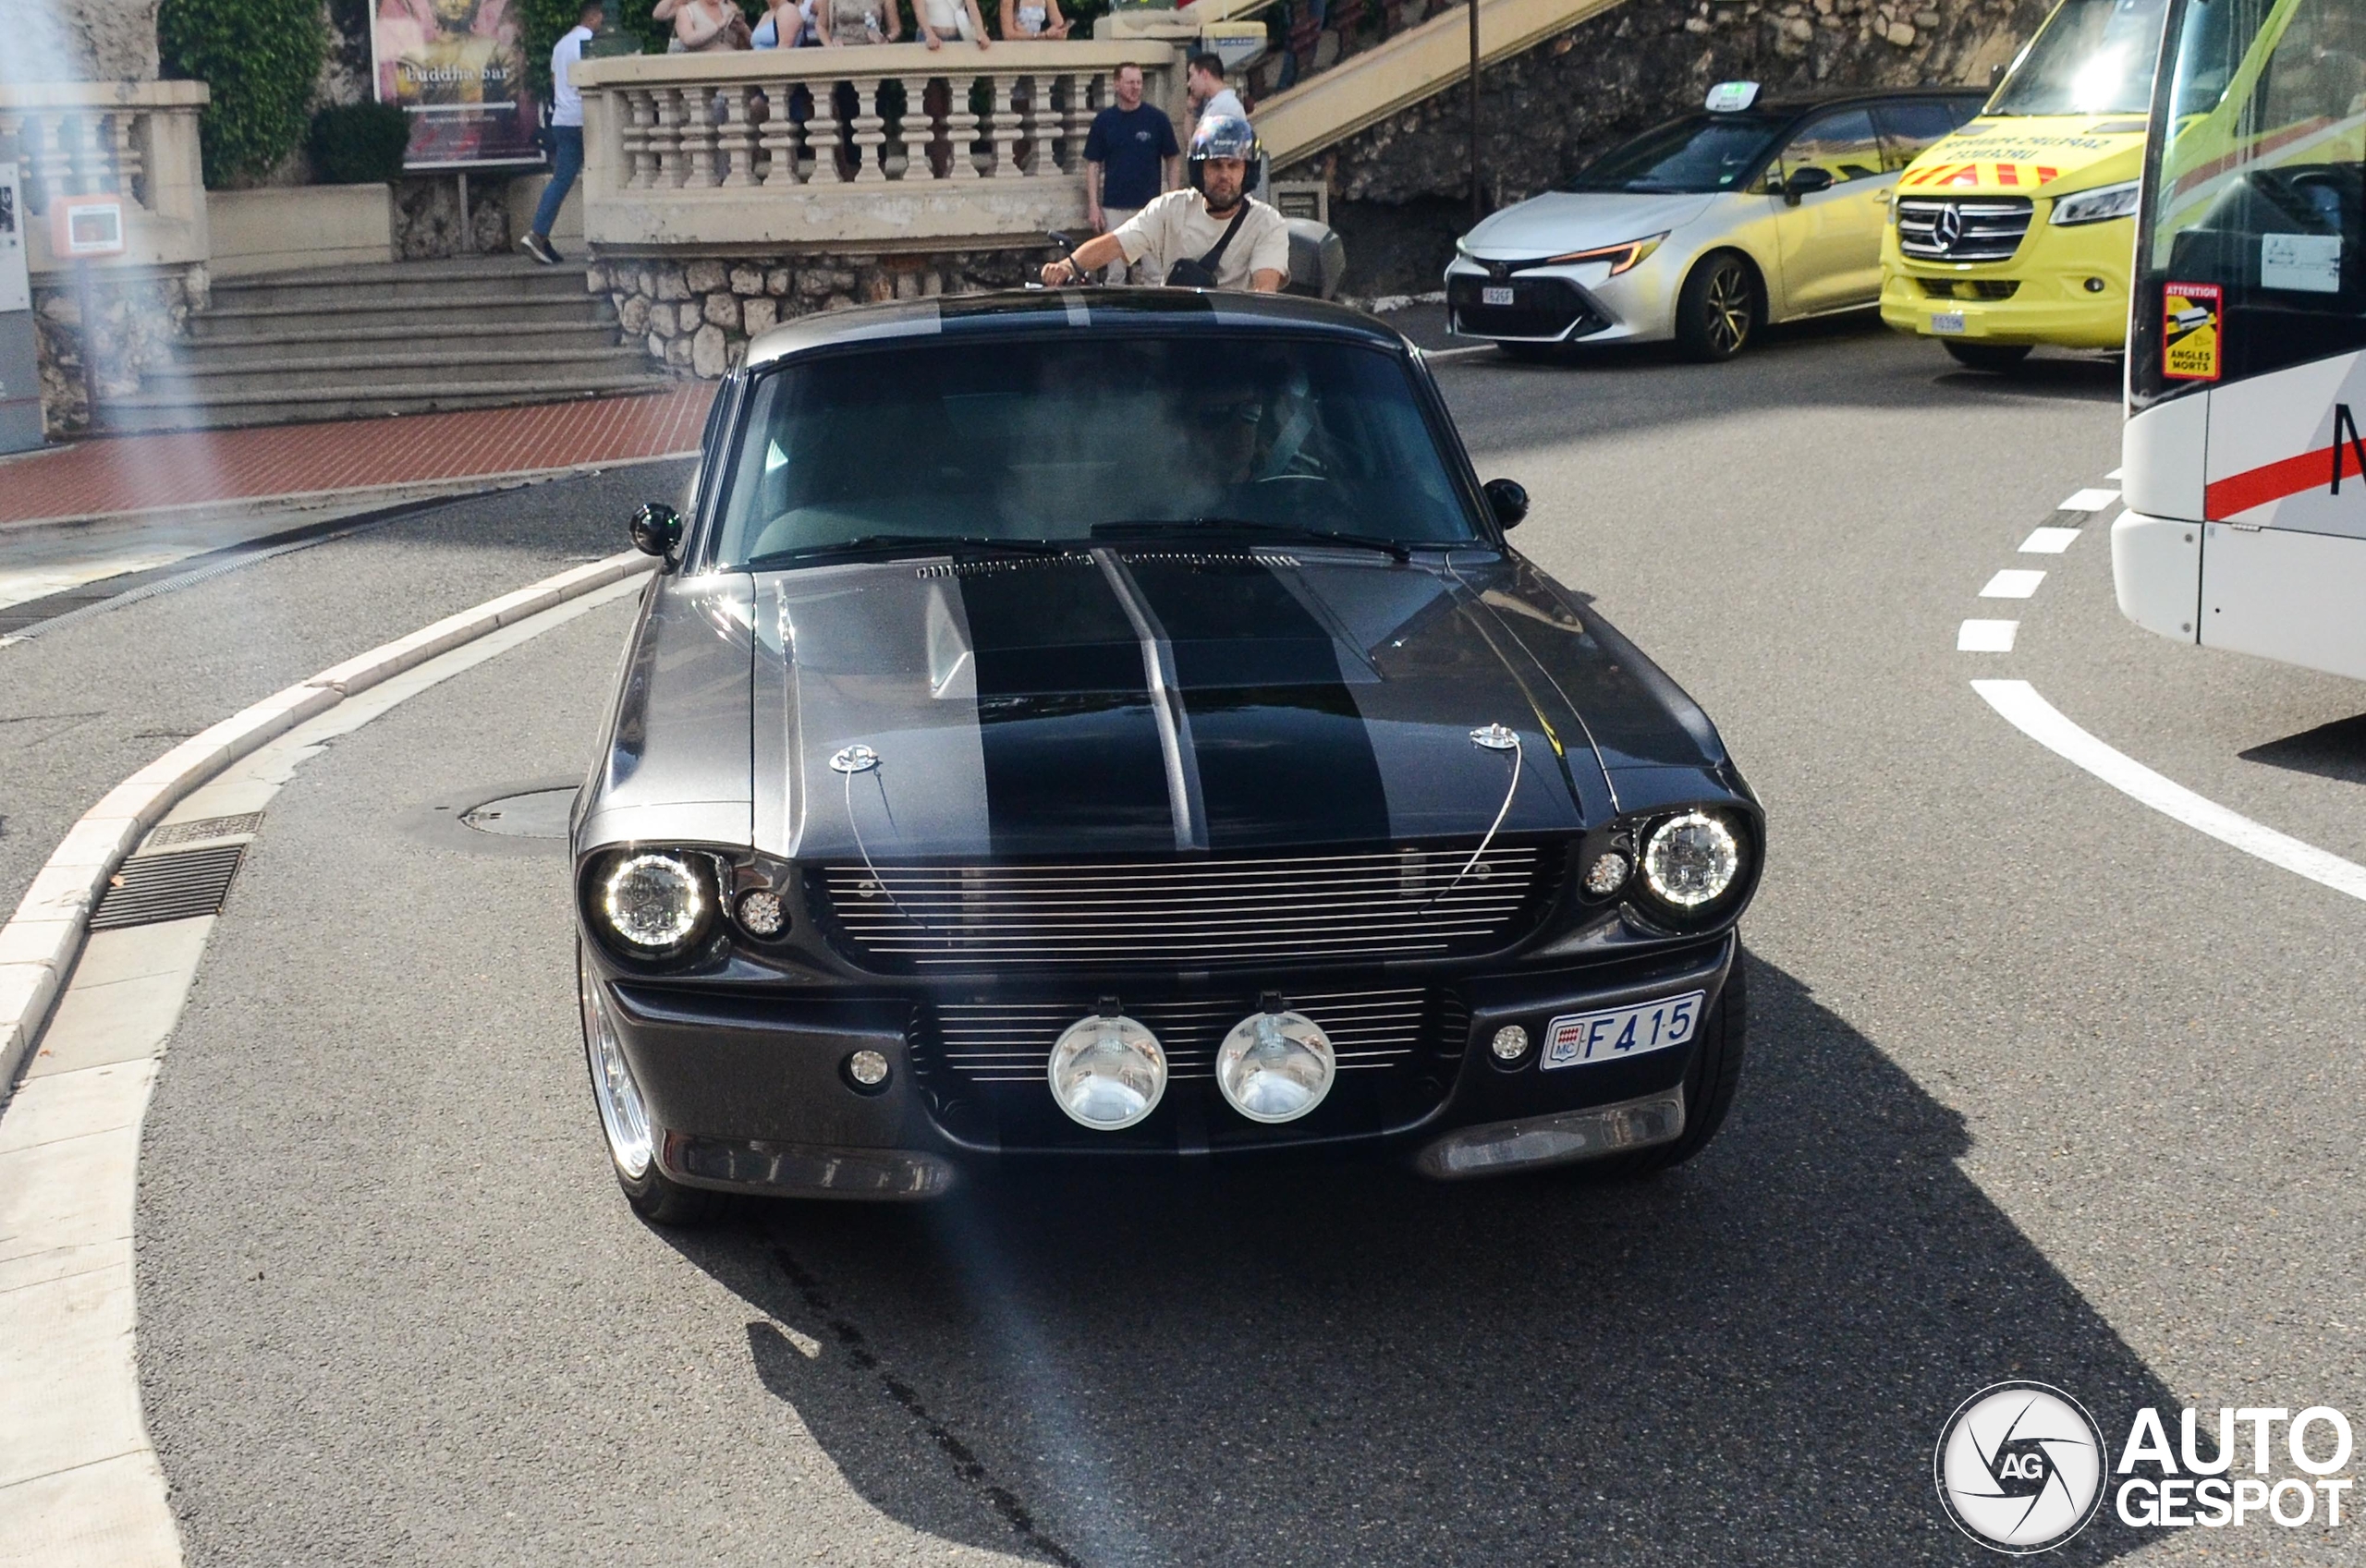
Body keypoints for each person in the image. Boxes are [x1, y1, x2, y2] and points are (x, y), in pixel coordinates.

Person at [1040, 115, 1288, 292]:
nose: (1224, 175)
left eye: (1233, 165)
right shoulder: (1171, 208)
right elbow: (1115, 243)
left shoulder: (1267, 223)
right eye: (1215, 165)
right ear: (1199, 169)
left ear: (1248, 171)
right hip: (1177, 332)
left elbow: (1264, 291)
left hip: (1234, 338)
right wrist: (1066, 267)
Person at [1082, 62, 1179, 281]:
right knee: (1115, 272)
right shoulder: (1104, 122)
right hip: (1114, 207)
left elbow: (1173, 158)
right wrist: (1093, 205)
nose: (1135, 88)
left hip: (1150, 208)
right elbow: (1093, 165)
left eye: (1139, 82)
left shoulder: (1157, 120)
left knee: (1154, 272)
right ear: (1117, 85)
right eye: (1129, 83)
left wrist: (1173, 196)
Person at [521, 0, 600, 263]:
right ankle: (604, 238)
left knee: (561, 180)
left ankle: (538, 234)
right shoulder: (589, 41)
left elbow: (556, 82)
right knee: (605, 175)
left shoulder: (561, 44)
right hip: (584, 118)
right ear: (595, 17)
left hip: (562, 120)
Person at [916, 0, 991, 49]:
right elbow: (919, 11)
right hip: (928, 38)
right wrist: (930, 36)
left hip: (958, 37)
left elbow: (972, 7)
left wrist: (981, 33)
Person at [1000, 0, 1067, 38]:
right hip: (1016, 48)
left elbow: (1058, 23)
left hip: (1036, 47)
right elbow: (1008, 35)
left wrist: (1060, 31)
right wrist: (1043, 35)